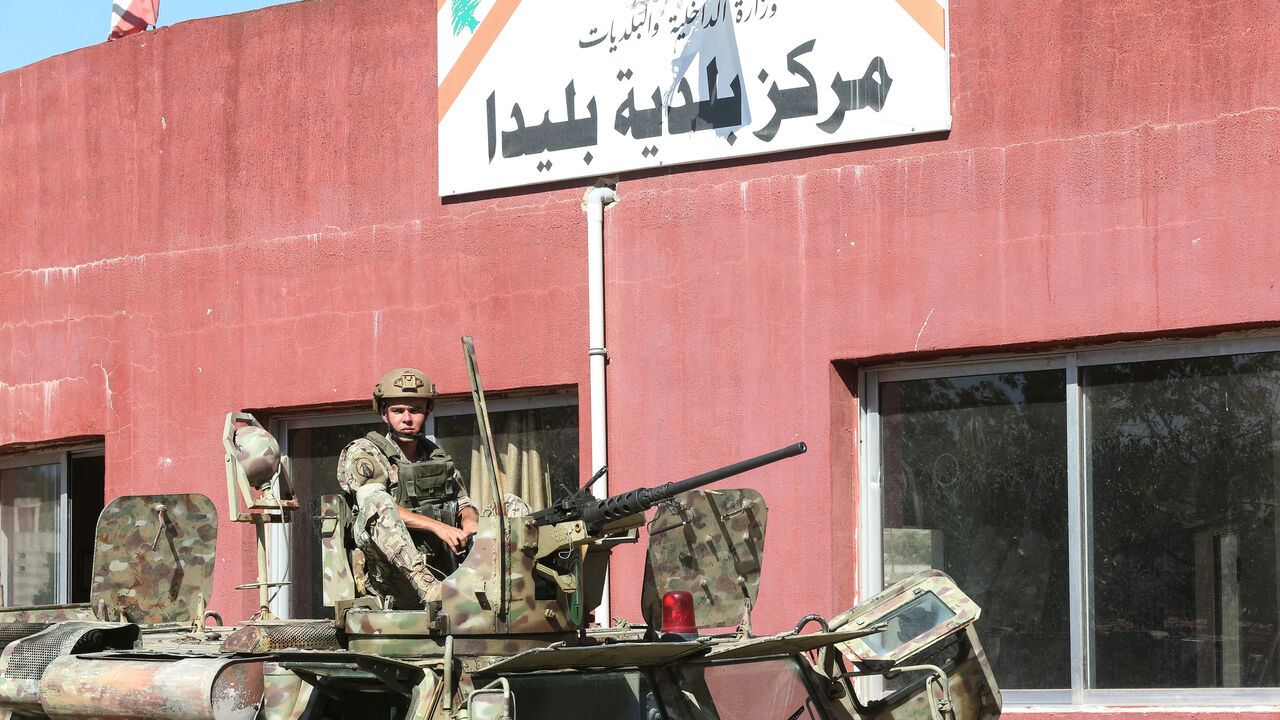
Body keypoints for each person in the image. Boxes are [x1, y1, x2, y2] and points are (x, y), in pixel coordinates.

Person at [336, 368, 479, 608]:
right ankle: (427, 586)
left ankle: (498, 582)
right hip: (388, 579)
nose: (407, 419)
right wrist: (437, 526)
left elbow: (462, 501)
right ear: (384, 414)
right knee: (376, 500)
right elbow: (375, 504)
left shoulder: (436, 457)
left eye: (415, 410)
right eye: (398, 411)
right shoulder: (365, 452)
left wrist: (470, 523)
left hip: (444, 571)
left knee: (510, 504)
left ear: (428, 412)